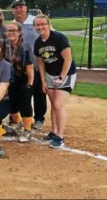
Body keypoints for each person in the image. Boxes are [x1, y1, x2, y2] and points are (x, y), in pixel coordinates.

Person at [34, 14, 77, 149]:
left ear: (48, 24)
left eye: (43, 24)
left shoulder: (58, 38)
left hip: (66, 74)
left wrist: (62, 77)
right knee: (53, 104)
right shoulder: (38, 42)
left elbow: (68, 59)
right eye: (37, 25)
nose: (40, 27)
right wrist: (43, 81)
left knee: (59, 105)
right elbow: (40, 63)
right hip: (50, 75)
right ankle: (54, 132)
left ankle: (60, 137)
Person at [12, 0, 47, 131]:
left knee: (39, 94)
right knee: (23, 95)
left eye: (21, 6)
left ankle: (39, 118)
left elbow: (48, 35)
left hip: (37, 64)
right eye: (15, 7)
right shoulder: (12, 25)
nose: (18, 9)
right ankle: (24, 117)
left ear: (26, 8)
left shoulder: (36, 21)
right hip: (20, 68)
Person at [5, 22, 34, 143]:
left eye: (14, 30)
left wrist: (30, 83)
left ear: (19, 32)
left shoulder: (24, 46)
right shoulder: (5, 45)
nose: (11, 33)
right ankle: (16, 123)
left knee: (25, 104)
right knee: (12, 102)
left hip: (23, 77)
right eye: (9, 30)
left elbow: (30, 66)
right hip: (10, 78)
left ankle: (27, 130)